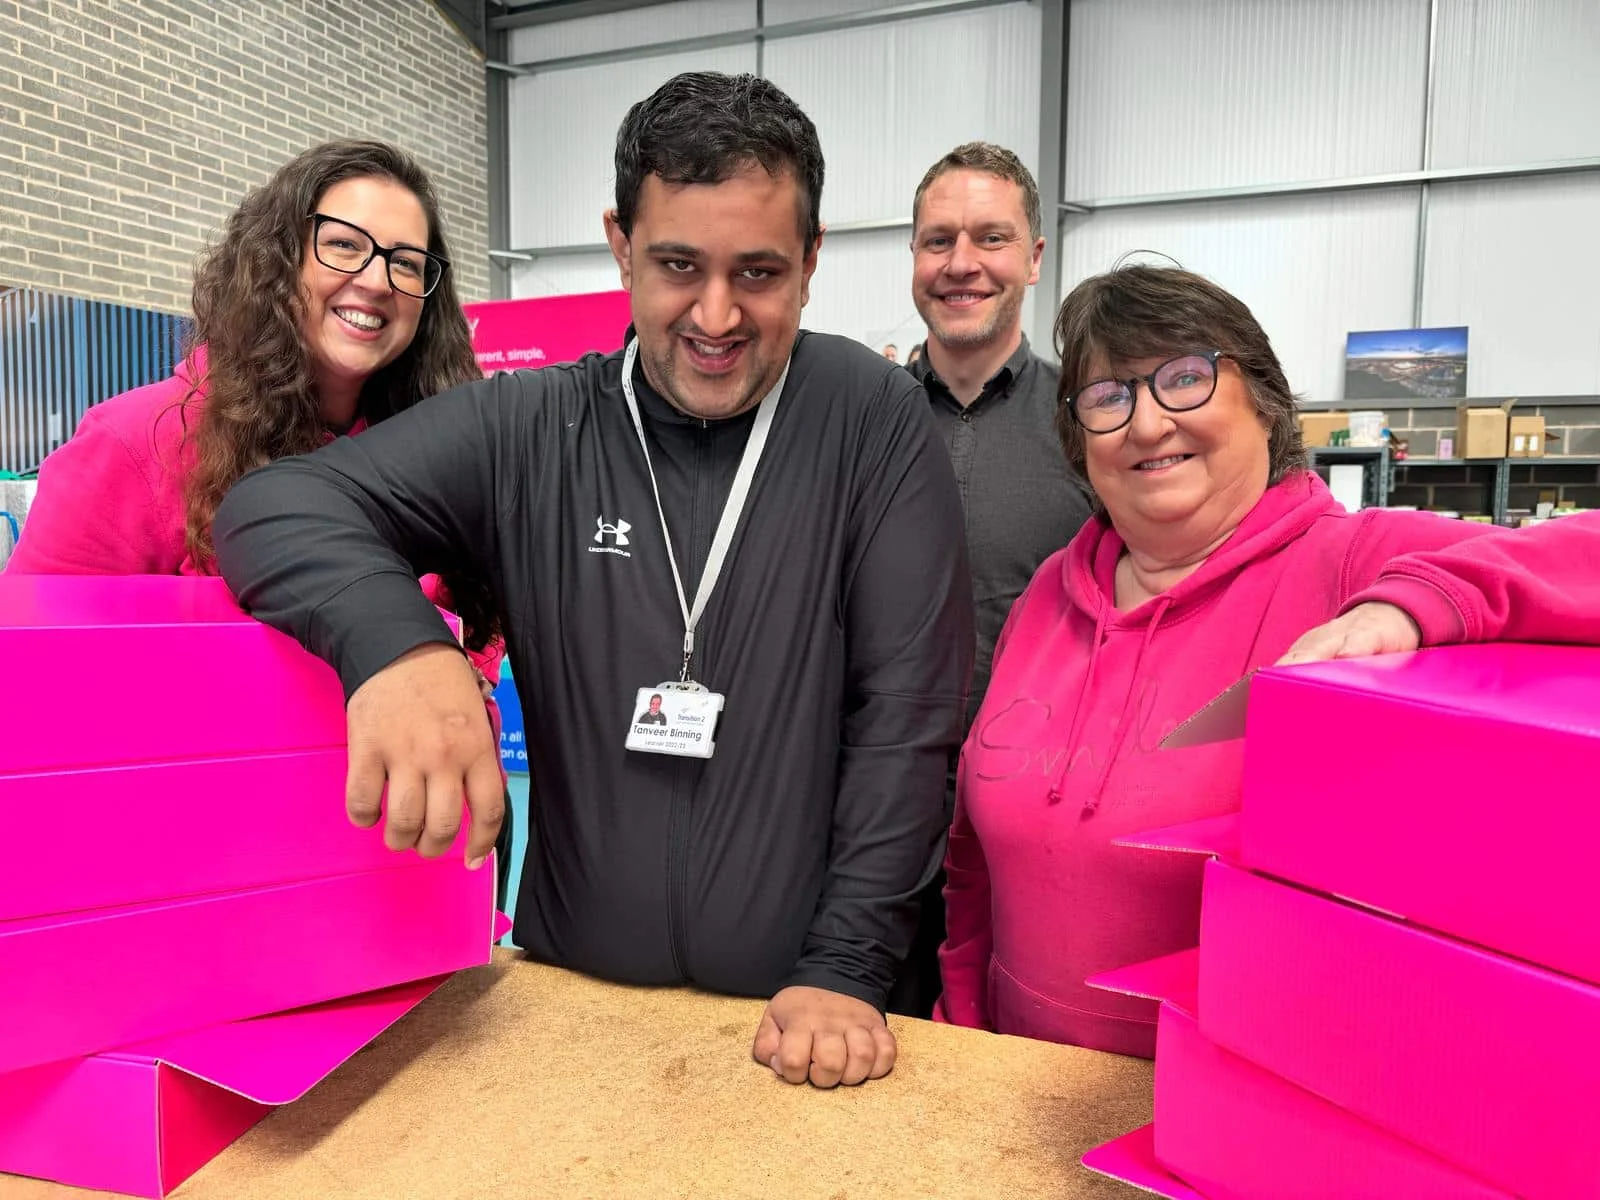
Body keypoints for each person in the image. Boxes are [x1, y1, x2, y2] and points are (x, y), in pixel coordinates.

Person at [212, 72, 973, 1090]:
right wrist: (398, 647)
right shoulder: (534, 426)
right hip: (570, 1005)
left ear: (811, 258)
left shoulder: (868, 416)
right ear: (620, 245)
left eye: (757, 272)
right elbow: (275, 507)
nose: (715, 315)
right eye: (674, 266)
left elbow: (909, 715)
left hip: (806, 1018)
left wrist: (846, 965)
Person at [937, 263, 1600, 1056]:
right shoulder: (1051, 591)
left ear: (1264, 402)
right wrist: (963, 1032)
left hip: (1228, 1110)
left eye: (1184, 378)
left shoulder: (1353, 562)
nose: (1146, 424)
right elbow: (975, 866)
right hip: (1011, 1094)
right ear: (1080, 444)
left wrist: (1418, 602)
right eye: (1109, 396)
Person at [3, 139, 513, 904]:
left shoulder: (445, 455)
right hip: (185, 886)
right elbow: (36, 697)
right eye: (343, 245)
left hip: (404, 886)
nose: (376, 280)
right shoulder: (133, 443)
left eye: (408, 263)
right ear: (277, 259)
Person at [889, 142, 1092, 1017]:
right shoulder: (858, 420)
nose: (962, 263)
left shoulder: (1093, 422)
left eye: (991, 238)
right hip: (875, 816)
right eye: (939, 241)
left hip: (1035, 823)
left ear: (1035, 258)